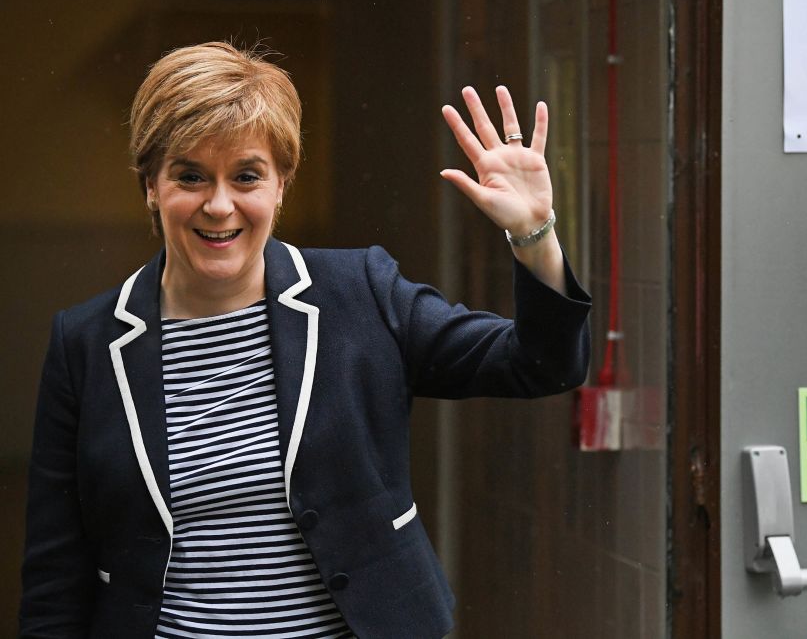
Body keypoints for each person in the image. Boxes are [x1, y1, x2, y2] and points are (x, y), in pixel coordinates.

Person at [20, 42, 591, 638]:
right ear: (150, 186)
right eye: (190, 176)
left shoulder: (360, 294)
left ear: (282, 185)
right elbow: (56, 576)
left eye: (246, 176)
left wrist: (534, 235)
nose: (219, 205)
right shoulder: (85, 343)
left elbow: (540, 364)